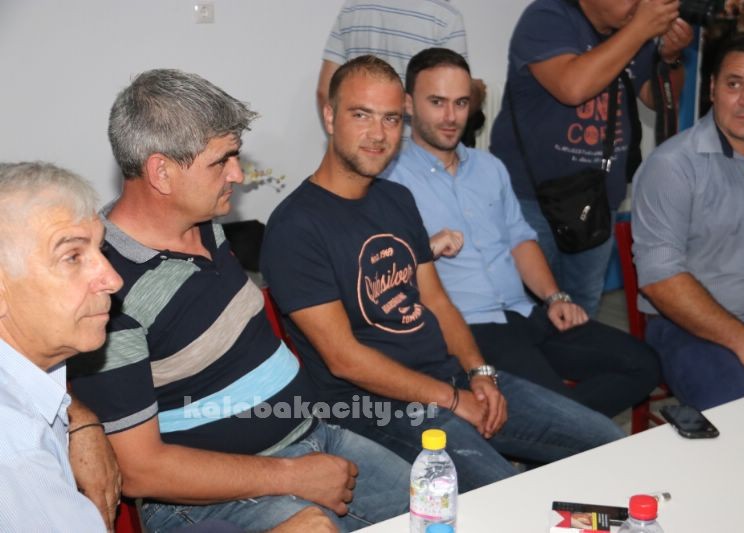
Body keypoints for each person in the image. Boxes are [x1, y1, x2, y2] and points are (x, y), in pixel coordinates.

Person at [261, 55, 625, 494]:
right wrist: (452, 400)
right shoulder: (295, 227)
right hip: (376, 408)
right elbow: (344, 358)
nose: (378, 134)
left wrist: (481, 373)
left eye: (391, 119)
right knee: (507, 492)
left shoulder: (396, 199)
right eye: (361, 115)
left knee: (607, 439)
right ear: (329, 116)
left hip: (446, 378)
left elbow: (435, 301)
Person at [68, 69, 409, 533]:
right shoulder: (106, 287)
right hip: (206, 500)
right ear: (161, 172)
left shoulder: (206, 225)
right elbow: (140, 470)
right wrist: (292, 476)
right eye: (221, 162)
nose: (238, 175)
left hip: (312, 436)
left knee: (441, 507)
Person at [384, 47, 661, 418]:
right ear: (408, 104)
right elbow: (380, 272)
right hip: (470, 329)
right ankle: (559, 426)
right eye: (437, 102)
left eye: (461, 103)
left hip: (525, 312)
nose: (451, 117)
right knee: (561, 412)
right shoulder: (390, 180)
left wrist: (555, 297)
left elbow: (519, 240)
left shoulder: (489, 167)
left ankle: (549, 429)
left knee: (643, 364)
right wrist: (426, 247)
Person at [490, 0, 694, 316]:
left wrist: (671, 58)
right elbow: (572, 87)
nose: (641, 4)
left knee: (582, 306)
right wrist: (640, 29)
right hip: (530, 198)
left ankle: (575, 351)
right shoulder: (547, 16)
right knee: (525, 308)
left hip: (596, 198)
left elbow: (658, 99)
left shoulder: (630, 32)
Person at [632, 32, 744, 410]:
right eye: (734, 84)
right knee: (743, 414)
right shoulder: (672, 166)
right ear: (712, 88)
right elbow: (660, 279)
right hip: (693, 329)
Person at [0, 161, 123, 532]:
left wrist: (77, 416)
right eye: (73, 257)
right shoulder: (17, 455)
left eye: (100, 250)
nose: (113, 280)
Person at [317, 0, 486, 145]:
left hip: (360, 149)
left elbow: (325, 92)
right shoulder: (444, 17)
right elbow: (456, 97)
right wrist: (478, 91)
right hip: (415, 156)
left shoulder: (353, 7)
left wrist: (345, 144)